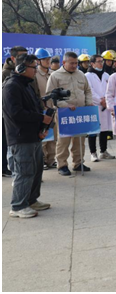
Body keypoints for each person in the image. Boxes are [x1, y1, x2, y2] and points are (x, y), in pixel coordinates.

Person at [3, 53, 53, 218]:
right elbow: (16, 114)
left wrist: (42, 125)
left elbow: (35, 108)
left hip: (33, 136)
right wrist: (40, 118)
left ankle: (31, 200)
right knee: (24, 172)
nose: (35, 70)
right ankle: (18, 206)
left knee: (36, 170)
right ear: (21, 68)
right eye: (33, 67)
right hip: (20, 137)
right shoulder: (11, 87)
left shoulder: (26, 85)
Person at [46, 51, 93, 176]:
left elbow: (87, 90)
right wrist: (65, 105)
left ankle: (78, 163)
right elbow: (50, 95)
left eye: (76, 63)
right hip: (64, 113)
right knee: (63, 140)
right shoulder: (55, 76)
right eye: (71, 63)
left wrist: (89, 103)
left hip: (80, 112)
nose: (74, 66)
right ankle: (62, 165)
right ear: (64, 62)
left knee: (79, 140)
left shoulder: (81, 74)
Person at [3, 46, 29, 178]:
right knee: (10, 145)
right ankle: (13, 172)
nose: (26, 60)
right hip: (10, 115)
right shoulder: (5, 74)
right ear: (13, 58)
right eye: (22, 57)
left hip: (25, 113)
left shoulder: (27, 71)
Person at [85, 54, 115, 162]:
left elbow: (110, 89)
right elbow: (89, 91)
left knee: (104, 129)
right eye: (98, 61)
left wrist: (106, 100)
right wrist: (100, 100)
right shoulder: (87, 76)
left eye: (102, 61)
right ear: (92, 63)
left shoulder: (107, 75)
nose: (101, 63)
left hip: (105, 106)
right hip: (95, 105)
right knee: (93, 130)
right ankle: (93, 153)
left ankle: (103, 151)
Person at [33, 48, 58, 171]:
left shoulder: (52, 74)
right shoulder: (35, 75)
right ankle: (41, 160)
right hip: (41, 109)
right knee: (43, 137)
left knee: (53, 137)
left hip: (52, 109)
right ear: (38, 61)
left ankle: (51, 160)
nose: (48, 61)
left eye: (49, 59)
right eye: (45, 59)